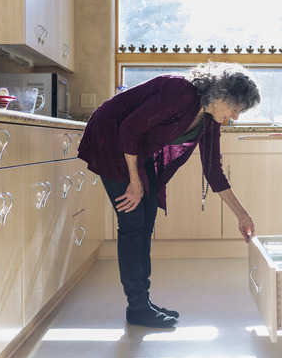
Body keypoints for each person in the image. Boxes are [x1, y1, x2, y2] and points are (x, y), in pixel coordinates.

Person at [78, 62, 261, 328]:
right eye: (236, 109)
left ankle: (143, 301)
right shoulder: (181, 92)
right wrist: (134, 180)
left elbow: (212, 169)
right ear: (223, 96)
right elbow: (128, 129)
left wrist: (242, 216)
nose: (236, 117)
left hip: (137, 149)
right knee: (132, 223)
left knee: (147, 219)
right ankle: (137, 307)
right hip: (112, 139)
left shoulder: (210, 119)